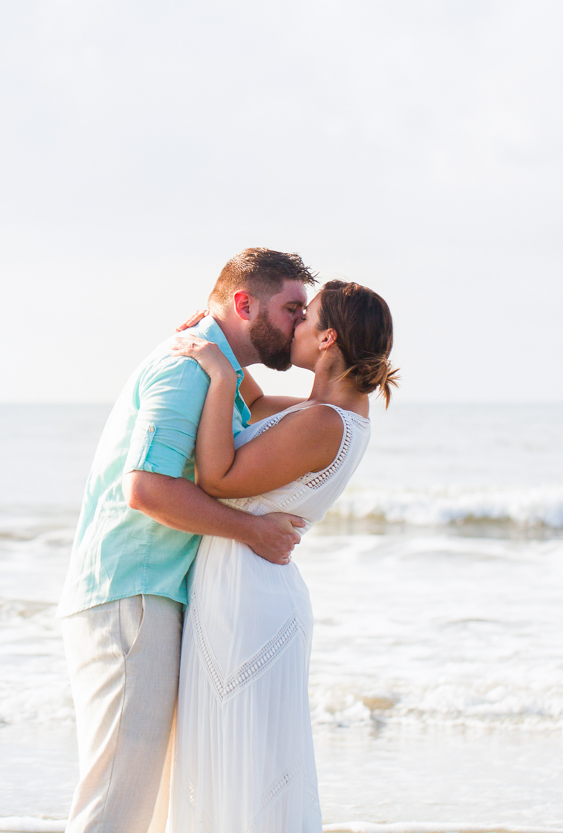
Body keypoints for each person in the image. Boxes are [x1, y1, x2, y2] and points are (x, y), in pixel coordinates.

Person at [57, 248, 320, 833]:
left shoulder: (217, 367)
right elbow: (146, 489)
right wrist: (251, 531)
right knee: (117, 802)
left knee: (142, 805)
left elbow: (270, 419)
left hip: (152, 594)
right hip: (132, 593)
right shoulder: (185, 367)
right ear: (244, 303)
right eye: (292, 309)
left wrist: (345, 399)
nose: (301, 323)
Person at [166, 279, 398, 833]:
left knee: (243, 767)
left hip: (247, 601)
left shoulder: (324, 422)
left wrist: (219, 373)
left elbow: (218, 478)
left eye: (305, 315)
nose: (292, 324)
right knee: (238, 765)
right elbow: (260, 407)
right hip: (246, 592)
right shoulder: (333, 408)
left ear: (327, 338)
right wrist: (217, 341)